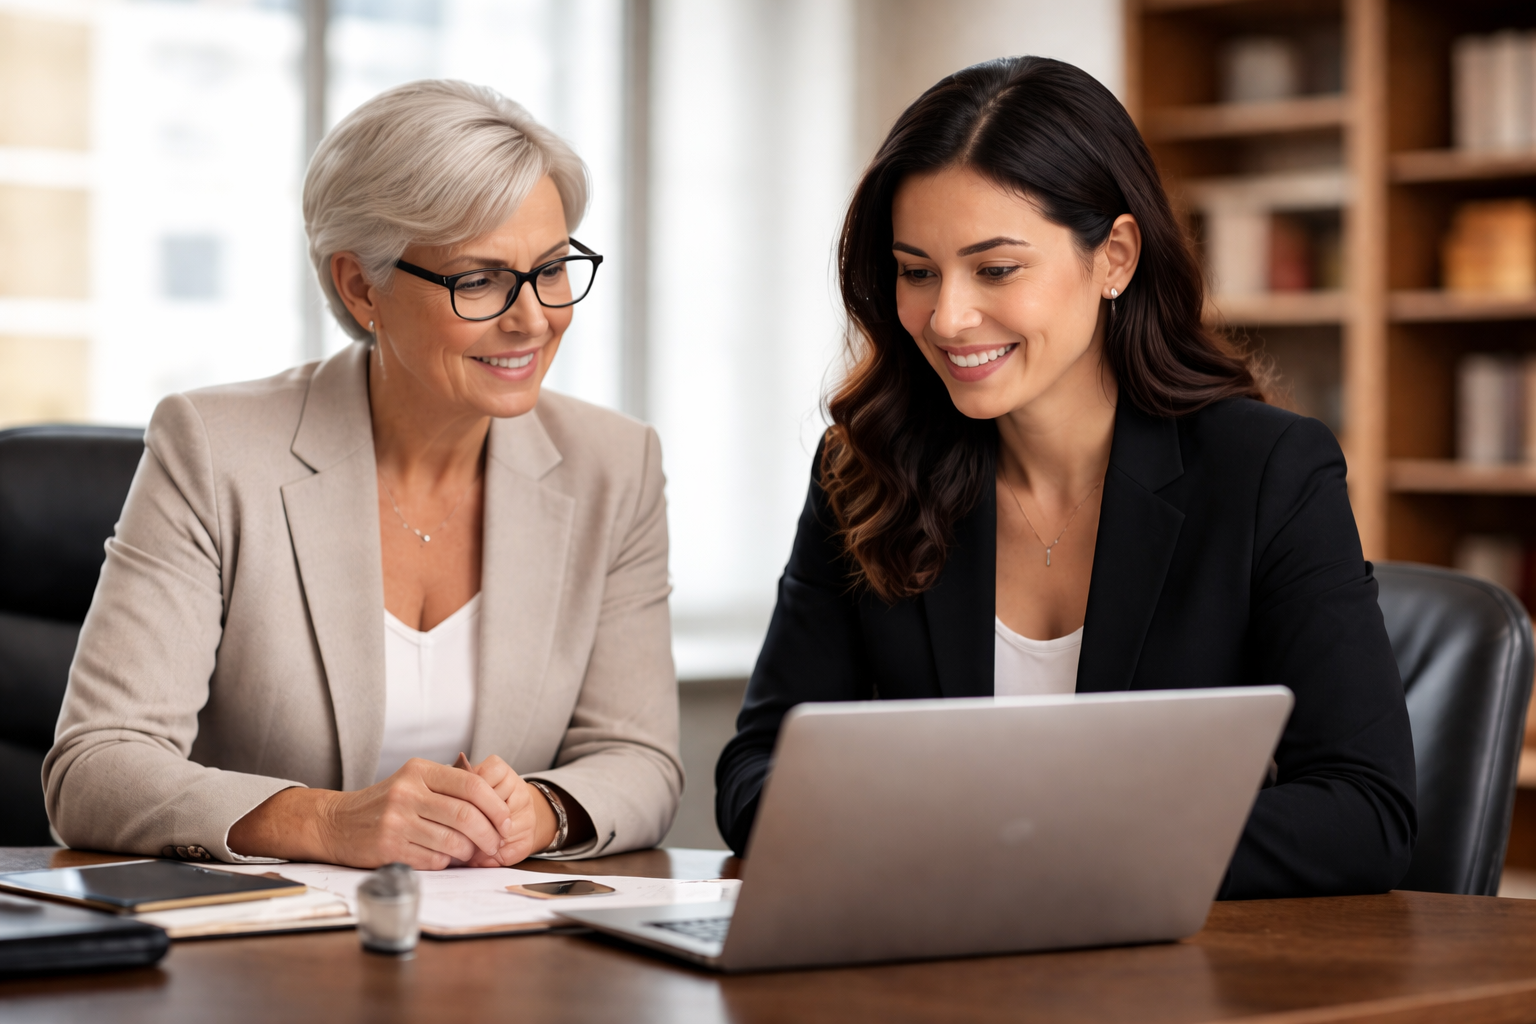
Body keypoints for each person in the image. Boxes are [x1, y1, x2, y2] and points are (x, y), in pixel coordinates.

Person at [714, 57, 1416, 900]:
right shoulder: (867, 468)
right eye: (916, 270)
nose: (947, 317)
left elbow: (1366, 814)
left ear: (1114, 256)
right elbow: (754, 772)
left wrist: (1040, 853)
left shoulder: (1268, 471)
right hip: (929, 967)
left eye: (996, 269)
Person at [45, 80, 681, 870]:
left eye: (552, 269)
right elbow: (95, 766)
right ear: (359, 286)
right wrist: (326, 822)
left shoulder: (614, 464)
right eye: (479, 279)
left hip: (497, 956)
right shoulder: (215, 449)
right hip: (261, 962)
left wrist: (542, 812)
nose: (534, 318)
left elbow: (639, 758)